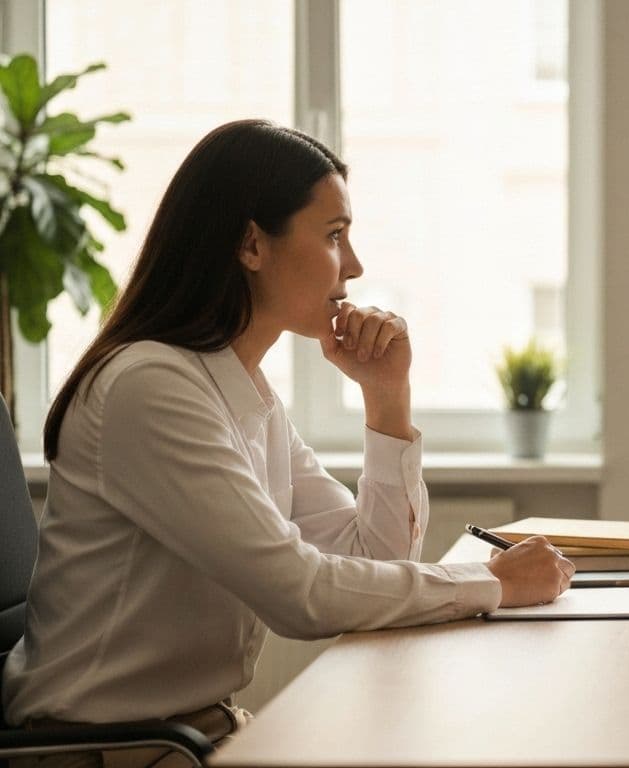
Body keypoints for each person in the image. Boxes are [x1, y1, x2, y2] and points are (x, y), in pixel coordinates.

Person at [2, 120, 575, 746]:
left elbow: (376, 562)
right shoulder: (151, 388)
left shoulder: (246, 394)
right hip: (104, 753)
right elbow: (300, 594)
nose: (352, 267)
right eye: (334, 236)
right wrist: (495, 583)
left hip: (188, 737)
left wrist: (386, 397)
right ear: (251, 244)